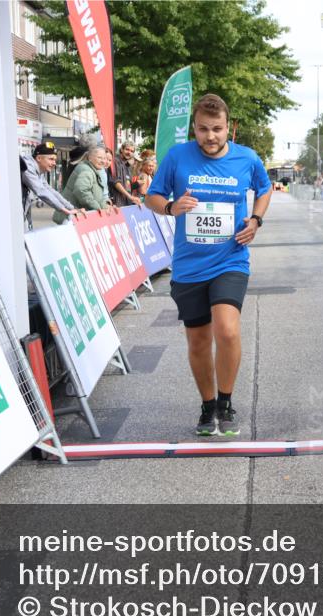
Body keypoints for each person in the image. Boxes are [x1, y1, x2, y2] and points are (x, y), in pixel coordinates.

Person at [145, 93, 272, 437]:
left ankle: (226, 402)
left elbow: (265, 186)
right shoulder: (177, 156)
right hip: (188, 266)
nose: (210, 136)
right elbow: (152, 197)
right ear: (194, 128)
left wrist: (256, 220)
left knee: (227, 329)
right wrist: (172, 207)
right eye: (203, 129)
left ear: (228, 127)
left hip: (230, 259)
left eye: (217, 129)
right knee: (199, 341)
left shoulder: (246, 158)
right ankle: (207, 406)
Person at [21, 141, 80, 229]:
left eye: (55, 160)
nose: (54, 163)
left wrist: (71, 208)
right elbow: (41, 191)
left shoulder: (38, 171)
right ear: (39, 158)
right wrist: (64, 210)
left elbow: (50, 190)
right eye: (51, 159)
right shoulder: (27, 168)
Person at [54, 146, 110, 223]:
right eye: (100, 158)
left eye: (104, 158)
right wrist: (98, 208)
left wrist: (105, 206)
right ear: (90, 158)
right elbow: (81, 191)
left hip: (75, 216)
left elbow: (96, 194)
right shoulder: (86, 171)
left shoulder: (92, 169)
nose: (103, 161)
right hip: (71, 217)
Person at [113, 141, 139, 206]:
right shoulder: (115, 162)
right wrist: (129, 196)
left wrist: (137, 184)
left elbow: (128, 186)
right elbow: (116, 182)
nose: (129, 152)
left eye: (132, 151)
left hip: (126, 202)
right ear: (122, 149)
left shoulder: (127, 166)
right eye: (127, 149)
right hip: (117, 203)